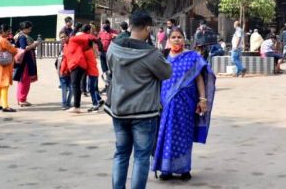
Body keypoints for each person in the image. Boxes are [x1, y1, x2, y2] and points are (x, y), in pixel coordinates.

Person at [106, 11, 172, 189]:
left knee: (121, 154)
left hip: (119, 110)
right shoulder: (151, 54)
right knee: (141, 157)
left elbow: (110, 67)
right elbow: (167, 73)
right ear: (148, 28)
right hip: (144, 113)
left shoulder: (113, 47)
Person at [152, 28, 216, 181]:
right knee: (166, 134)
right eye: (173, 37)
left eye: (179, 37)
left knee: (184, 135)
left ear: (184, 39)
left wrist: (203, 99)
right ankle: (166, 170)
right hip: (165, 103)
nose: (176, 40)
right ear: (168, 39)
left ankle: (184, 168)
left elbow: (199, 79)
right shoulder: (163, 57)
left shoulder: (192, 57)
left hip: (186, 104)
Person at [64, 24, 100, 113]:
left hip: (77, 64)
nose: (63, 38)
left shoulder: (73, 39)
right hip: (78, 64)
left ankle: (76, 106)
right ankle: (77, 106)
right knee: (77, 85)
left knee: (75, 85)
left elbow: (86, 37)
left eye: (64, 36)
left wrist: (96, 40)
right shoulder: (75, 44)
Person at [14, 21, 40, 107]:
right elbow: (24, 48)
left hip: (24, 61)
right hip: (25, 61)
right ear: (24, 28)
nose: (30, 29)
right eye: (28, 27)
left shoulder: (21, 35)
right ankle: (22, 99)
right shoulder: (22, 37)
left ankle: (20, 98)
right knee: (25, 80)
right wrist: (34, 44)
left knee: (22, 80)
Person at [0, 24, 18, 112]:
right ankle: (5, 106)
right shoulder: (4, 41)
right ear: (2, 32)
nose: (8, 33)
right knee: (5, 85)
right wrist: (16, 49)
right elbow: (13, 50)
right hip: (5, 66)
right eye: (7, 31)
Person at [56, 32, 72, 110]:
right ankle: (64, 104)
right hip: (62, 70)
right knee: (64, 88)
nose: (63, 38)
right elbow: (59, 61)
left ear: (68, 36)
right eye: (61, 37)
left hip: (70, 70)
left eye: (64, 37)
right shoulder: (62, 47)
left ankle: (68, 103)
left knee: (72, 88)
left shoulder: (70, 45)